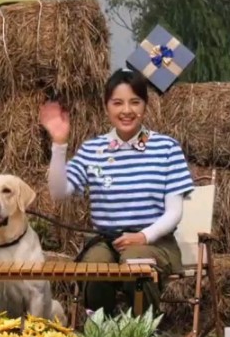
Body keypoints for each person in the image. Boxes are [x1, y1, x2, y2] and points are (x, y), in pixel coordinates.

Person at [40, 68, 195, 315]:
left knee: (136, 261)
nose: (126, 110)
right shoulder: (93, 149)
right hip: (107, 241)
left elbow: (174, 212)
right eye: (118, 103)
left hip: (155, 243)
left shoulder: (167, 148)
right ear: (106, 107)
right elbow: (59, 192)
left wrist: (143, 236)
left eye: (135, 102)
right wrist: (59, 144)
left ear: (145, 105)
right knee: (93, 266)